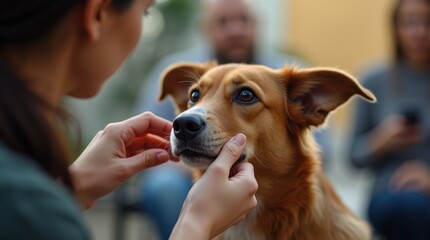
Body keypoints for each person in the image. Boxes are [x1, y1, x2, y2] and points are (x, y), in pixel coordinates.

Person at [0, 0, 258, 239]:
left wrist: (75, 186)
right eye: (145, 12)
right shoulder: (23, 202)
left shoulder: (23, 195)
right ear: (97, 14)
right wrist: (198, 222)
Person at [131, 0, 322, 239]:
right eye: (223, 22)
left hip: (268, 181)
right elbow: (146, 139)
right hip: (185, 174)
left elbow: (325, 149)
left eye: (243, 20)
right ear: (206, 28)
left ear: (257, 25)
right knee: (164, 185)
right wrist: (193, 157)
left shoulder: (285, 73)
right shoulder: (176, 70)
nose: (235, 30)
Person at [348, 0, 430, 239]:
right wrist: (381, 140)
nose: (420, 32)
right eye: (410, 22)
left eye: (427, 22)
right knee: (405, 209)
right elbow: (353, 157)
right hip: (388, 195)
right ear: (395, 27)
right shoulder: (374, 79)